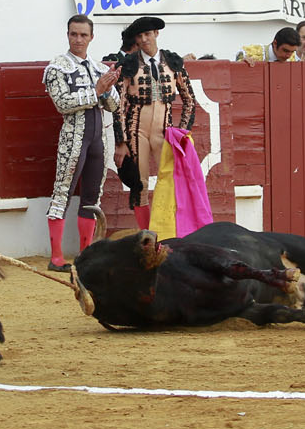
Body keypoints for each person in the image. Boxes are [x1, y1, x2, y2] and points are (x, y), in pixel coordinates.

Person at [43, 14, 120, 270]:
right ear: (67, 35)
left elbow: (115, 104)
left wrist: (107, 89)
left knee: (91, 198)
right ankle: (56, 258)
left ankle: (85, 256)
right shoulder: (57, 67)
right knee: (62, 193)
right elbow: (63, 104)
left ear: (91, 37)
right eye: (74, 34)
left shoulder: (100, 68)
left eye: (83, 35)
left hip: (98, 139)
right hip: (73, 139)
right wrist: (97, 91)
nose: (78, 39)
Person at [115, 15, 195, 229]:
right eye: (140, 36)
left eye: (148, 34)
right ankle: (146, 236)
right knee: (139, 185)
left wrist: (183, 133)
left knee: (168, 184)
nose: (144, 39)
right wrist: (121, 141)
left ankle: (168, 232)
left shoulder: (173, 61)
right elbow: (119, 105)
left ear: (156, 34)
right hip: (136, 131)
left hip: (164, 132)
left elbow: (189, 100)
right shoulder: (128, 64)